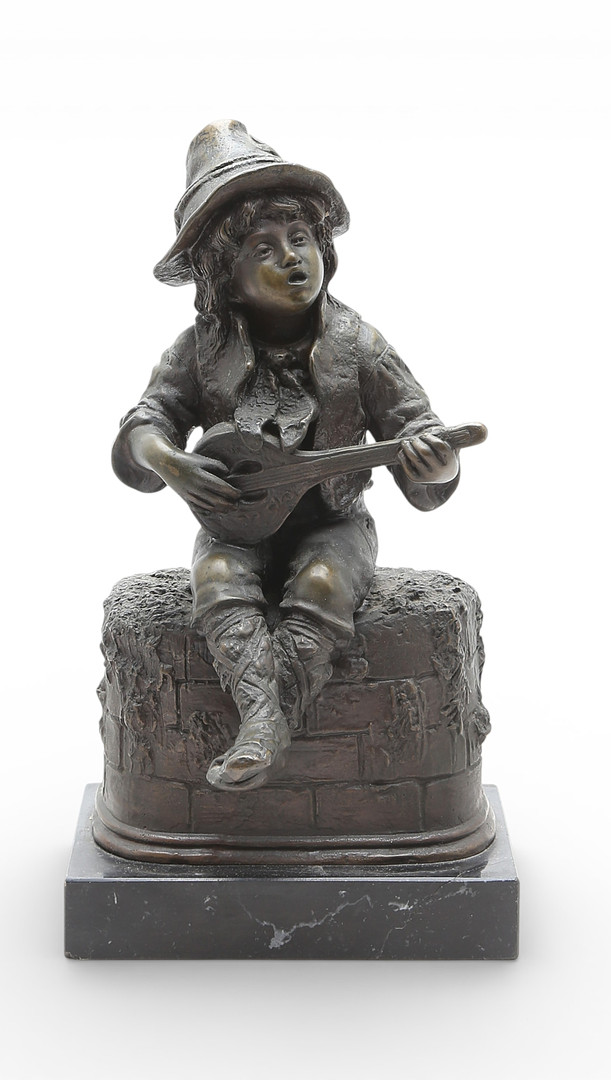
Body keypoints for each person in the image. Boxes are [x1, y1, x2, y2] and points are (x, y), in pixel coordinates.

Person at [113, 120, 461, 791]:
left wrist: (434, 462)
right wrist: (167, 460)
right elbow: (147, 420)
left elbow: (420, 428)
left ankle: (263, 728)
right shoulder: (201, 349)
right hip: (234, 522)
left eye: (301, 238)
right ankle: (262, 721)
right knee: (217, 577)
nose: (292, 258)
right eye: (263, 249)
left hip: (334, 523)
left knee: (325, 583)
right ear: (225, 277)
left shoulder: (359, 345)